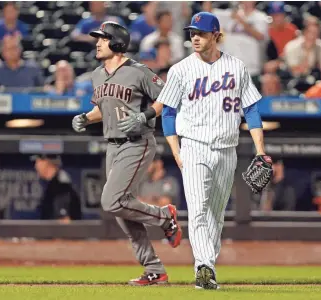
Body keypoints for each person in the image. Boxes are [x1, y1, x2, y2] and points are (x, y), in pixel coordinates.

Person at [115, 12, 272, 289]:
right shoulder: (180, 70)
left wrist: (260, 150)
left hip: (227, 148)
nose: (195, 38)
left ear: (215, 35)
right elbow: (168, 114)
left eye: (200, 33)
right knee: (198, 209)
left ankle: (207, 266)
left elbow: (251, 110)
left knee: (216, 214)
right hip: (194, 146)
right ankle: (203, 268)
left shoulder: (236, 67)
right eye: (192, 33)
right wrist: (176, 150)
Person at [71, 21, 182, 286]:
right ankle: (155, 270)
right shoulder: (98, 75)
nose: (97, 42)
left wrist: (145, 115)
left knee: (111, 201)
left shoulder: (138, 71)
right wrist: (86, 118)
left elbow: (169, 95)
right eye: (98, 38)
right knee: (122, 212)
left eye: (103, 38)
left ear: (117, 42)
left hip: (137, 142)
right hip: (113, 145)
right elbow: (104, 109)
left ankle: (165, 216)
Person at [31, 155, 81, 222]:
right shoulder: (52, 185)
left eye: (38, 161)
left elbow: (64, 221)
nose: (35, 166)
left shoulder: (60, 186)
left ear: (46, 162)